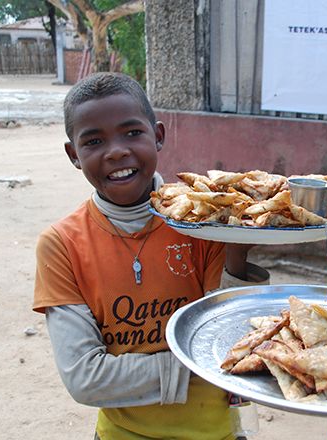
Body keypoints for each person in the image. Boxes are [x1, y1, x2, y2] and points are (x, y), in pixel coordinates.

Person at [33, 72, 268, 439]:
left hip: (218, 431)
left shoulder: (204, 221)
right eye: (94, 141)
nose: (116, 151)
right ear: (73, 155)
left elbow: (232, 340)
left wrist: (234, 242)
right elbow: (84, 378)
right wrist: (195, 365)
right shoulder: (62, 244)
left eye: (132, 133)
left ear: (158, 135)